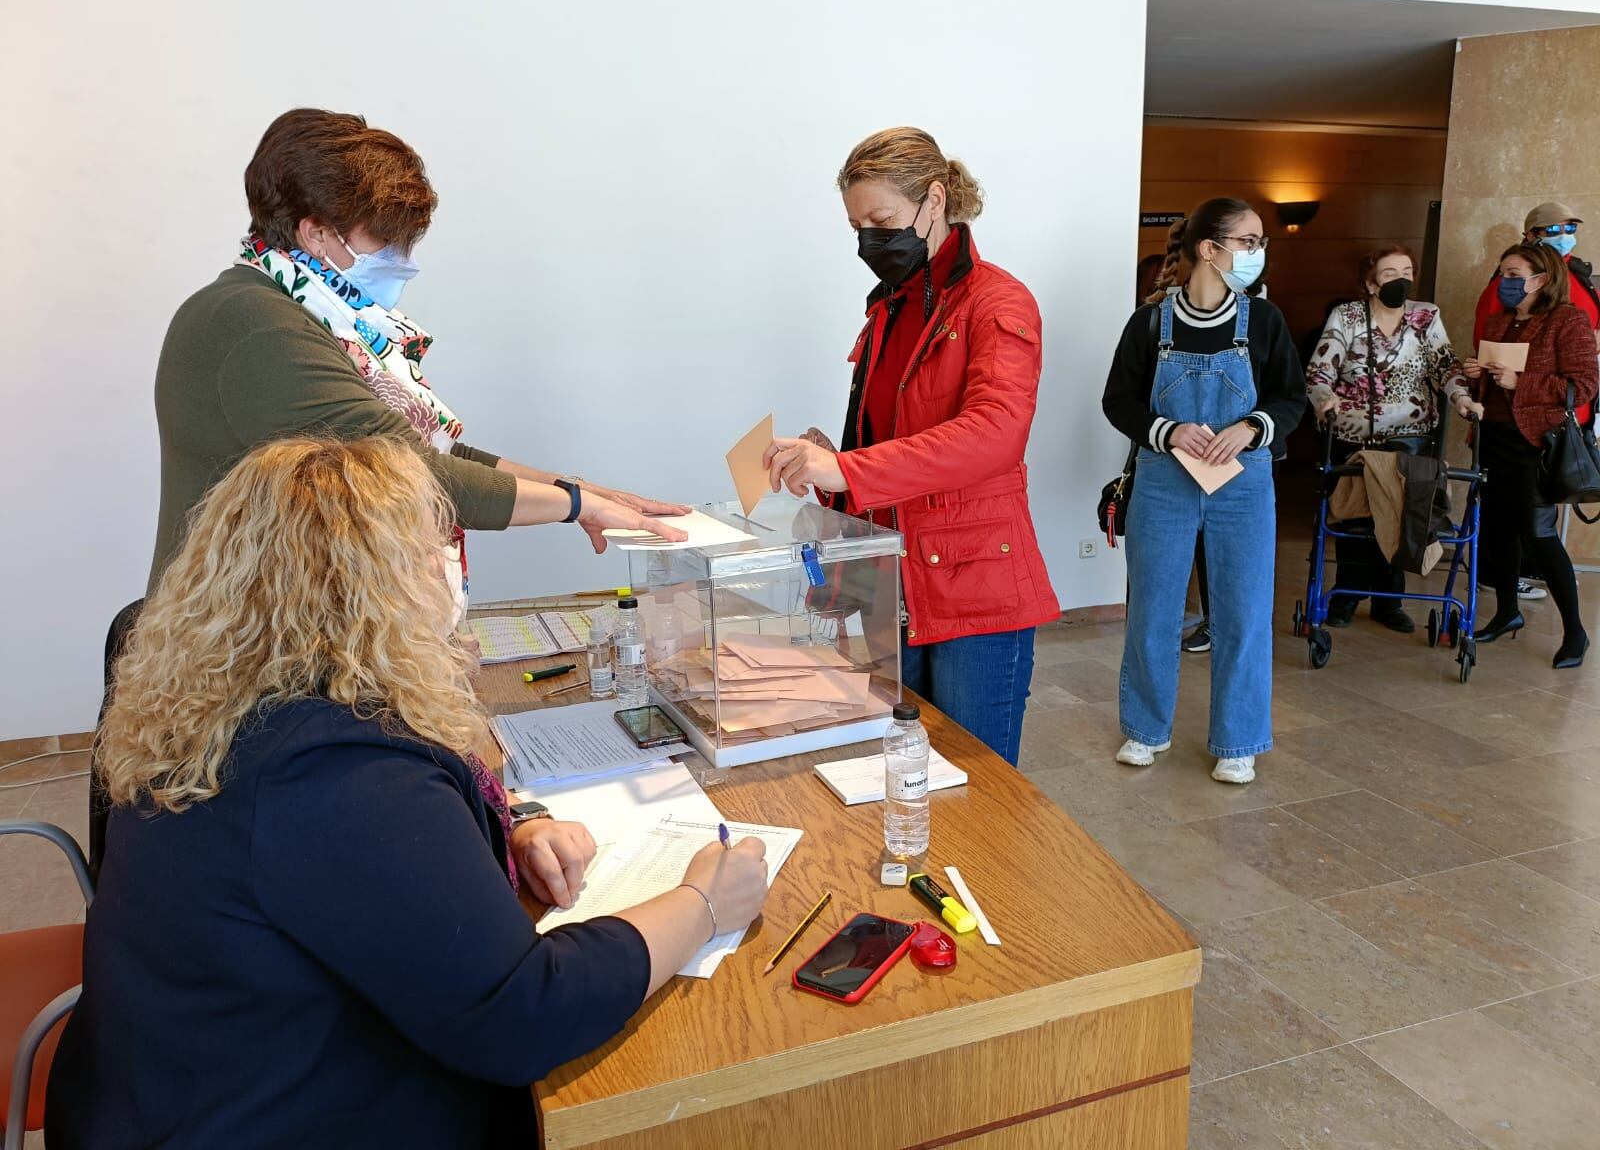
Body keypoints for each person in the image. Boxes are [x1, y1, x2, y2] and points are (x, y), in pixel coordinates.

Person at [47, 436, 772, 1148]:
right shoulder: (337, 771)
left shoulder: (226, 701)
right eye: (433, 556)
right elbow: (525, 1015)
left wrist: (507, 824)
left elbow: (361, 860)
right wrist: (703, 904)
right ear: (374, 590)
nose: (449, 573)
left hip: (171, 1086)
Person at [92, 107, 688, 876]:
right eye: (387, 240)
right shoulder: (249, 324)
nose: (402, 260)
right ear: (315, 234)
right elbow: (416, 477)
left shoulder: (309, 311)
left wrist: (585, 488)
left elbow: (432, 446)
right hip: (259, 665)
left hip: (297, 643)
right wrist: (578, 507)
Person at [761, 127, 1059, 766]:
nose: (870, 240)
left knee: (980, 793)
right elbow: (885, 442)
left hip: (970, 588)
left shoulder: (996, 302)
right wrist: (826, 458)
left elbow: (994, 436)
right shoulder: (889, 309)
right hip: (890, 583)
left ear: (935, 199)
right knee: (899, 773)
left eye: (883, 219)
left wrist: (848, 467)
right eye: (857, 226)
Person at [1102, 197, 1306, 784]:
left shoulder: (1264, 322)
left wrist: (1250, 427)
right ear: (1208, 250)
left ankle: (1237, 741)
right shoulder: (1148, 323)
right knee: (1153, 611)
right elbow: (1119, 401)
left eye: (1258, 241)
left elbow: (1290, 399)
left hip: (1242, 484)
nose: (1256, 252)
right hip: (1164, 482)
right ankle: (1145, 730)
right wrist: (1167, 431)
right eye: (1247, 241)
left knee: (1242, 613)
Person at [1305, 245, 1480, 632]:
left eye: (1407, 270)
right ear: (1370, 283)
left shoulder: (1425, 315)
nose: (1401, 279)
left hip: (1412, 435)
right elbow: (1319, 371)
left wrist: (1463, 397)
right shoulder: (1347, 316)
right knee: (1356, 515)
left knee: (1401, 514)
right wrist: (1324, 398)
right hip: (1354, 434)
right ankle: (1347, 593)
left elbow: (1445, 364)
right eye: (1389, 273)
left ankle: (1390, 600)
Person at [1463, 243, 1598, 668]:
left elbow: (1583, 385)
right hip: (1493, 440)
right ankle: (1507, 612)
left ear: (1540, 280)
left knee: (1539, 537)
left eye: (1513, 273)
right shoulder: (1499, 322)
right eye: (1503, 272)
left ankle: (1575, 631)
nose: (1505, 281)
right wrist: (1474, 376)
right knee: (1498, 532)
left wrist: (1521, 380)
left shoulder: (1567, 320)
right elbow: (1487, 387)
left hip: (1535, 446)